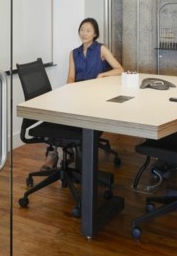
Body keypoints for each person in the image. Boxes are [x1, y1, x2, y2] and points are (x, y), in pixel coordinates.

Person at [41, 17, 123, 169]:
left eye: (88, 30)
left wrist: (103, 75)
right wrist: (71, 92)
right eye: (82, 30)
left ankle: (76, 151)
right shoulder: (74, 53)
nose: (84, 33)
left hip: (96, 98)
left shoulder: (101, 49)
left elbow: (120, 69)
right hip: (77, 97)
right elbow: (71, 77)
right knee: (56, 113)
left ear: (95, 34)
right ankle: (53, 152)